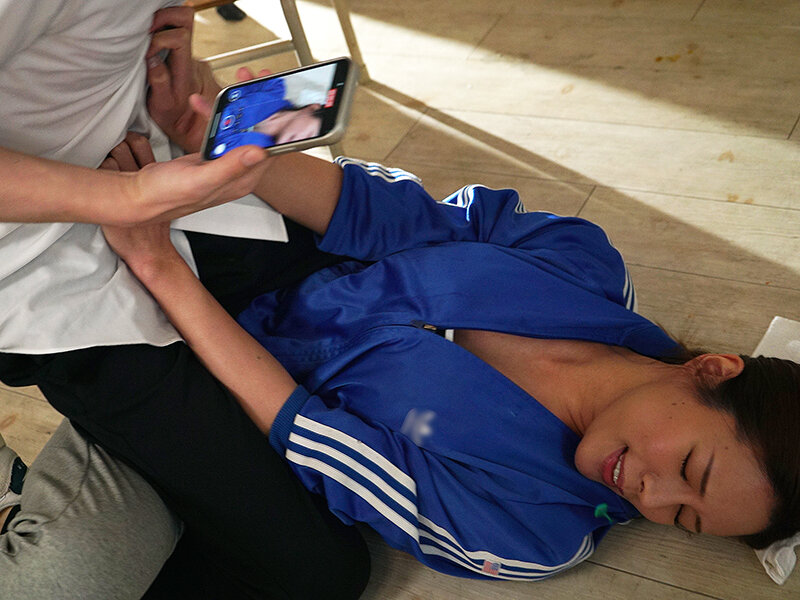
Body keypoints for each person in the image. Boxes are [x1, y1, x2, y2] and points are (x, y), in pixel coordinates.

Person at [100, 111, 800, 580]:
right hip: (302, 251)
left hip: (219, 366)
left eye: (682, 518)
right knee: (138, 125)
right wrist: (233, 150)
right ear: (711, 370)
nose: (652, 493)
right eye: (689, 467)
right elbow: (399, 216)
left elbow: (311, 435)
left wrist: (158, 265)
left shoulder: (535, 529)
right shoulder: (584, 267)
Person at [0, 3, 369, 598]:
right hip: (53, 271)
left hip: (171, 181)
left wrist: (181, 92)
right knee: (318, 570)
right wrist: (130, 205)